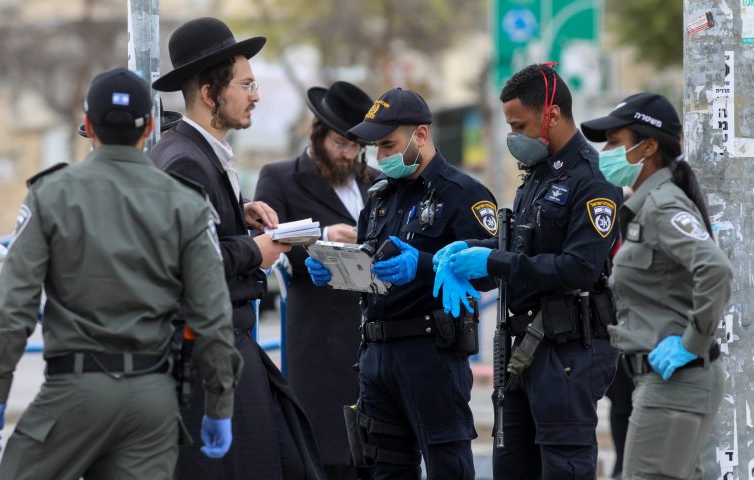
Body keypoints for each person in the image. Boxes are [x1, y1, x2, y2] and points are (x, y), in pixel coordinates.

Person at [0, 67, 242, 479]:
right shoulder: (187, 204)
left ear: (87, 125)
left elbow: (16, 306)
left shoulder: (51, 194)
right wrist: (219, 403)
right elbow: (212, 315)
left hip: (73, 393)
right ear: (150, 127)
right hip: (152, 399)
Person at [149, 17, 324, 479]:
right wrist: (259, 249)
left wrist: (239, 212)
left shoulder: (193, 151)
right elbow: (190, 262)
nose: (256, 95)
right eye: (246, 84)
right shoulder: (185, 159)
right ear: (210, 94)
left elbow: (199, 233)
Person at [434, 63, 622, 479]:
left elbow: (578, 267)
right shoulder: (537, 175)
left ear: (551, 114)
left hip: (568, 350)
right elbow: (523, 247)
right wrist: (474, 248)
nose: (513, 137)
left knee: (563, 468)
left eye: (519, 125)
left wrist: (492, 261)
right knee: (511, 466)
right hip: (523, 347)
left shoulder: (593, 179)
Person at [307, 87, 498, 479]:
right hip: (376, 354)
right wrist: (338, 271)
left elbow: (493, 269)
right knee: (381, 468)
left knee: (448, 467)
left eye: (389, 145)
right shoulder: (379, 197)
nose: (381, 157)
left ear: (421, 135)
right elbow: (373, 267)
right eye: (376, 147)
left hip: (431, 353)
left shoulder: (464, 194)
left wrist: (427, 265)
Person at [580, 92, 732, 479]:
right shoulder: (647, 205)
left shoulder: (662, 205)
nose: (606, 151)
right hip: (666, 380)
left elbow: (715, 270)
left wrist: (689, 343)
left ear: (648, 147)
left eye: (615, 142)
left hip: (674, 381)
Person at [254, 80, 377, 480]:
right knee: (322, 456)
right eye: (341, 144)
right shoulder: (280, 178)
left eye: (356, 146)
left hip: (374, 340)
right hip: (318, 342)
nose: (349, 154)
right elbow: (269, 244)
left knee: (377, 455)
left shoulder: (377, 181)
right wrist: (325, 237)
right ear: (318, 134)